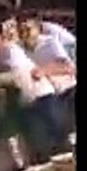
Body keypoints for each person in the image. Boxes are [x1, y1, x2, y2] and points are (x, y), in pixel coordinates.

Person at [0, 19, 69, 165]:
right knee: (33, 142)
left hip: (41, 95)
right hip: (20, 104)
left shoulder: (10, 51)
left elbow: (17, 77)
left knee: (57, 135)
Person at [18, 13, 77, 146]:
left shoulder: (49, 42)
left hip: (65, 92)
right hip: (43, 97)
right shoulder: (19, 49)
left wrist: (45, 71)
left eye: (28, 29)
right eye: (21, 30)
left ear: (38, 29)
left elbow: (69, 67)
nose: (25, 34)